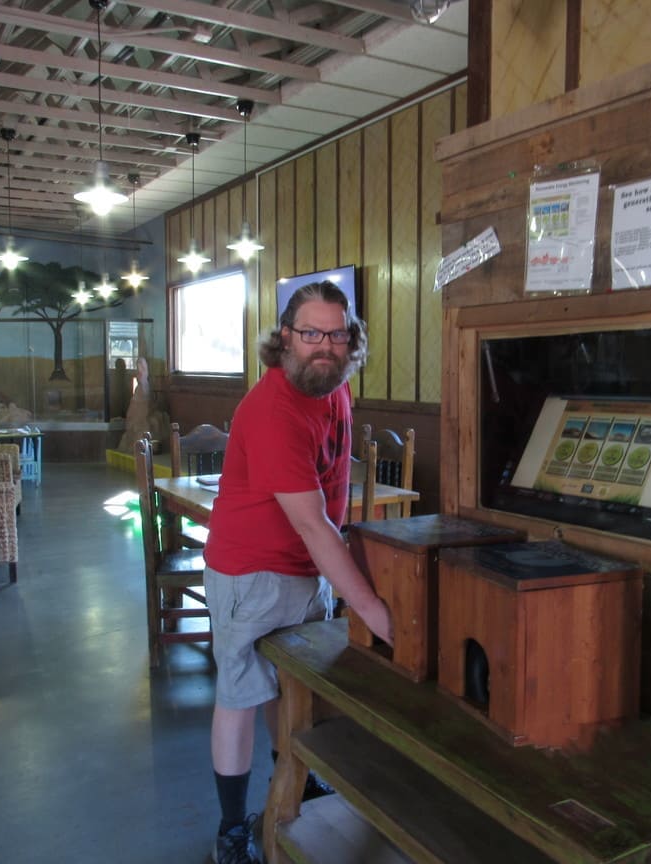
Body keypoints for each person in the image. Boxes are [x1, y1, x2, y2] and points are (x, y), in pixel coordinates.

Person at [203, 281, 394, 864]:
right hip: (250, 572)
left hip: (305, 570)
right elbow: (315, 525)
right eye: (311, 333)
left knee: (291, 689)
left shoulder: (333, 386)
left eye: (337, 334)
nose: (325, 346)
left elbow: (325, 511)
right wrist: (377, 612)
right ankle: (232, 831)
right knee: (242, 692)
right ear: (285, 337)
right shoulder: (270, 410)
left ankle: (296, 779)